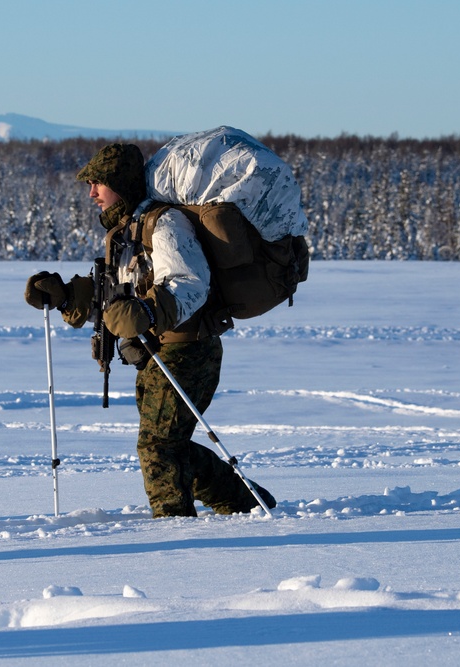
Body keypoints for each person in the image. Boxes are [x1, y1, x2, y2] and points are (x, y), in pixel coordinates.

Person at [24, 143, 276, 518]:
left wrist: (146, 311)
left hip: (187, 349)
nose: (91, 193)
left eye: (98, 183)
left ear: (120, 184)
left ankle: (174, 531)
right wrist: (64, 297)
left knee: (158, 447)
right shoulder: (126, 232)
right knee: (169, 444)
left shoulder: (165, 225)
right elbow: (117, 300)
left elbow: (190, 283)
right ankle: (244, 501)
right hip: (156, 354)